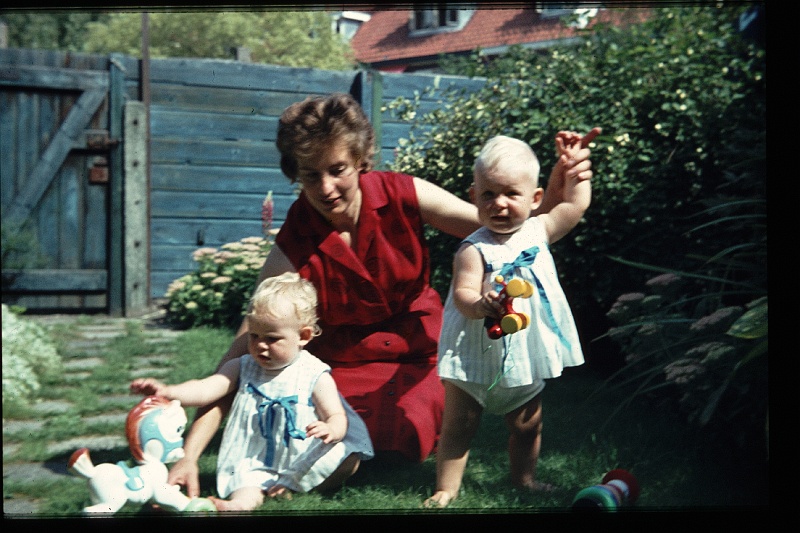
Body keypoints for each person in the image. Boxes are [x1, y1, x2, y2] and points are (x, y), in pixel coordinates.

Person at [167, 92, 598, 498]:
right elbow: (245, 347)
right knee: (325, 434)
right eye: (310, 175)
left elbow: (511, 227)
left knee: (401, 437)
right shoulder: (295, 240)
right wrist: (190, 454)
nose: (326, 188)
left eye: (337, 169)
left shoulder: (403, 192)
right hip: (342, 367)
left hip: (422, 354)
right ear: (294, 174)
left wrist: (564, 179)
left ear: (360, 160)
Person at [424, 132, 595, 507]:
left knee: (528, 425)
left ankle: (524, 479)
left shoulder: (539, 230)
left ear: (534, 199)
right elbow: (462, 293)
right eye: (488, 194)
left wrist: (576, 170)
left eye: (511, 194)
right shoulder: (473, 248)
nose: (499, 204)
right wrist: (478, 303)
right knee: (459, 427)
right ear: (473, 196)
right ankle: (446, 490)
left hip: (523, 355)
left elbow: (574, 206)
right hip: (474, 354)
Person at [131, 273, 374, 511]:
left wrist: (331, 429)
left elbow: (337, 415)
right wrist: (169, 391)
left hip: (300, 451)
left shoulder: (314, 374)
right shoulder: (243, 366)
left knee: (345, 460)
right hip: (254, 455)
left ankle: (291, 486)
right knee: (247, 483)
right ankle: (237, 505)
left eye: (272, 338)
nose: (260, 345)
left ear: (303, 336)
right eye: (254, 336)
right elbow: (206, 389)